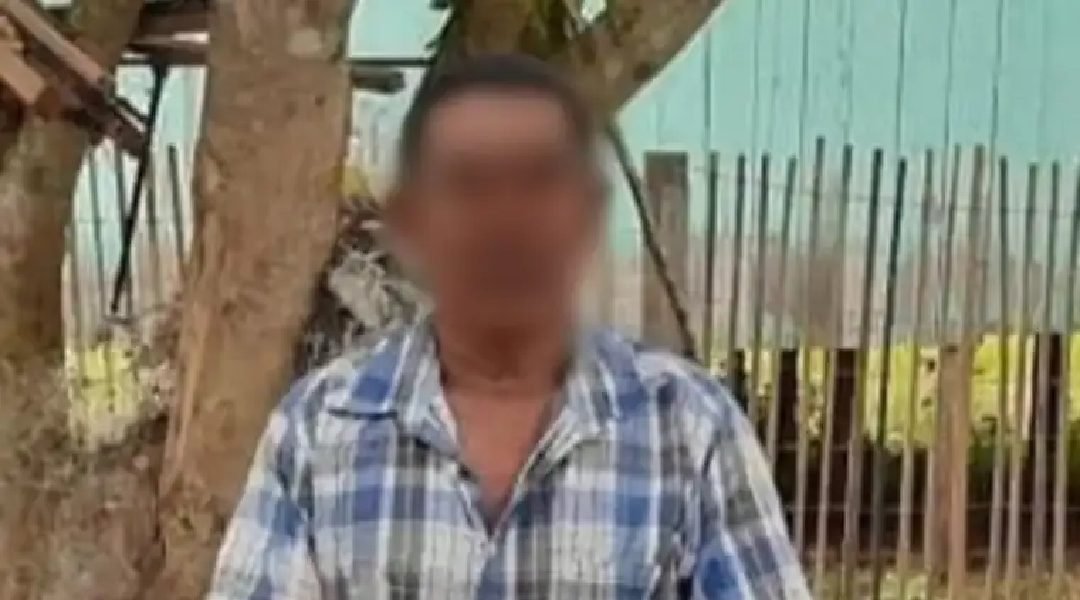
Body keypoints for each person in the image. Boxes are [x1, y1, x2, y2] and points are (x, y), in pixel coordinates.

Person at [209, 54, 810, 599]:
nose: (506, 226)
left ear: (585, 217)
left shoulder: (688, 428)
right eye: (468, 186)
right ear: (411, 223)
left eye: (538, 185)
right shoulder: (320, 428)